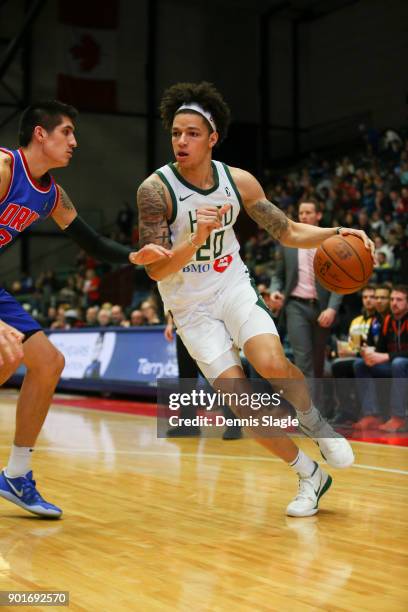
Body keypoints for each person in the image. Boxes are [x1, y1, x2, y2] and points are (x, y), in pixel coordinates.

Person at [137, 82, 374, 517]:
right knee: (240, 401)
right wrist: (196, 238)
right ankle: (309, 474)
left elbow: (287, 231)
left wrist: (335, 233)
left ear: (213, 138)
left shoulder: (237, 181)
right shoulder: (156, 190)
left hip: (231, 287)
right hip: (189, 306)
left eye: (192, 133)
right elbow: (156, 269)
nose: (182, 141)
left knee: (270, 361)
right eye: (175, 133)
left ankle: (314, 422)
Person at [0, 100, 172, 518]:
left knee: (48, 363)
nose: (74, 142)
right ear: (40, 134)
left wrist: (135, 256)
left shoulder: (52, 195)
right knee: (6, 356)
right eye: (66, 132)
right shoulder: (4, 169)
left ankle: (16, 476)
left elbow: (91, 242)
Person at [272, 200, 343, 384]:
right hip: (295, 305)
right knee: (304, 361)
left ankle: (321, 409)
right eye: (301, 212)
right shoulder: (288, 241)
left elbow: (341, 279)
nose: (303, 216)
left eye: (308, 212)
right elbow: (278, 275)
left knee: (319, 363)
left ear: (318, 215)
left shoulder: (331, 242)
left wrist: (332, 308)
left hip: (322, 307)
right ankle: (310, 412)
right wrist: (275, 290)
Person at [353, 286, 408, 432]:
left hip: (401, 364)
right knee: (360, 364)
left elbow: (386, 355)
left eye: (399, 300)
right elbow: (380, 350)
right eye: (392, 299)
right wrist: (369, 354)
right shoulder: (387, 320)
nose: (394, 303)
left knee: (398, 363)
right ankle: (372, 414)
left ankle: (398, 417)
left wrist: (386, 356)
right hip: (395, 365)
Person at [330, 285, 377, 425]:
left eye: (372, 297)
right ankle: (346, 410)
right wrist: (343, 350)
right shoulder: (356, 320)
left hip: (369, 357)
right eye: (365, 297)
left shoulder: (378, 320)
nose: (368, 300)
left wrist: (354, 351)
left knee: (351, 365)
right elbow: (352, 344)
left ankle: (362, 411)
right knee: (337, 364)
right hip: (355, 356)